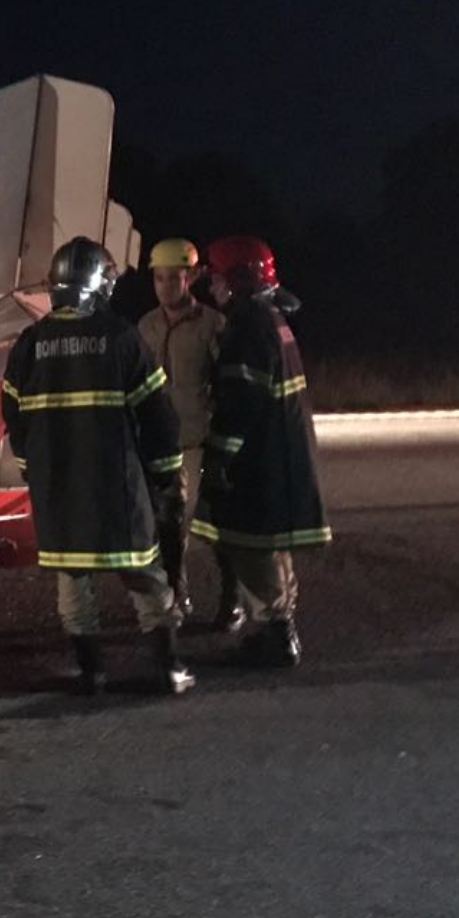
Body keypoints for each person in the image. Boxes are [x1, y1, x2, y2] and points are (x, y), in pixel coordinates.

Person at [3, 238, 194, 695]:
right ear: (101, 283)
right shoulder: (121, 337)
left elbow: (14, 418)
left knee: (73, 581)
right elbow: (157, 413)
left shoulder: (30, 344)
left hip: (59, 490)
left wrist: (35, 471)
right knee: (145, 576)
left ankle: (92, 673)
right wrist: (166, 472)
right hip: (118, 486)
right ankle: (168, 669)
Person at [190, 236, 330, 667]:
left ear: (238, 280)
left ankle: (276, 636)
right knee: (270, 547)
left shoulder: (248, 325)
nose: (210, 284)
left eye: (215, 276)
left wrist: (219, 458)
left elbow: (239, 403)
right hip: (278, 453)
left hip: (259, 460)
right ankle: (278, 624)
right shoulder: (272, 317)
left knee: (253, 547)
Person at [136, 238, 242, 630]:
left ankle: (232, 599)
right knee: (167, 526)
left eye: (173, 278)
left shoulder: (213, 325)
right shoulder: (145, 326)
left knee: (211, 527)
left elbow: (230, 384)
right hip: (161, 445)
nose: (165, 286)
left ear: (192, 277)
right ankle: (176, 598)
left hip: (201, 440)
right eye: (159, 278)